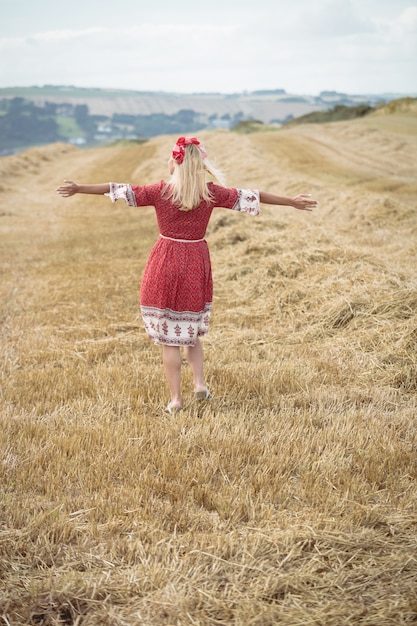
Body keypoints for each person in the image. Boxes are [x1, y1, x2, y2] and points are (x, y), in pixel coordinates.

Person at [56, 136, 317, 414]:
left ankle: (176, 400)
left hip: (165, 260)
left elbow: (117, 189)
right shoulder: (211, 193)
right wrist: (291, 201)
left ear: (174, 163)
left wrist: (79, 188)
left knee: (169, 338)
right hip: (195, 260)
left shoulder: (159, 191)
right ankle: (200, 384)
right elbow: (252, 195)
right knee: (190, 332)